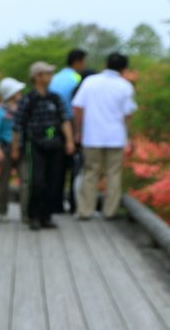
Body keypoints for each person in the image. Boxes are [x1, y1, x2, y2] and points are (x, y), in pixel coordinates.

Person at [72, 52, 137, 220]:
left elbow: (78, 107)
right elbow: (128, 114)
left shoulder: (90, 82)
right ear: (123, 68)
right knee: (113, 174)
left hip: (92, 135)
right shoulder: (125, 85)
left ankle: (86, 210)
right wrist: (130, 136)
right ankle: (110, 211)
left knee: (90, 173)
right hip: (115, 136)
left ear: (105, 64)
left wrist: (78, 131)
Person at [12, 61, 76, 230]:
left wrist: (69, 141)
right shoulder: (29, 100)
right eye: (47, 73)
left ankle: (46, 216)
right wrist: (15, 148)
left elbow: (64, 120)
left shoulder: (55, 98)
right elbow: (18, 125)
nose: (50, 77)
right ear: (38, 77)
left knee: (52, 181)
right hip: (35, 144)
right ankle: (34, 215)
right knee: (37, 181)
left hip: (54, 143)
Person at [49, 49, 87, 213]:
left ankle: (55, 204)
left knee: (56, 166)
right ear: (77, 61)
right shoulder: (77, 78)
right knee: (75, 165)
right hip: (71, 125)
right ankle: (73, 203)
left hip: (51, 127)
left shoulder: (54, 78)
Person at [0, 77, 25, 221]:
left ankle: (26, 212)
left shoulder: (23, 109)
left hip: (21, 148)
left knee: (25, 180)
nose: (20, 94)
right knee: (4, 181)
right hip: (5, 148)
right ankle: (2, 212)